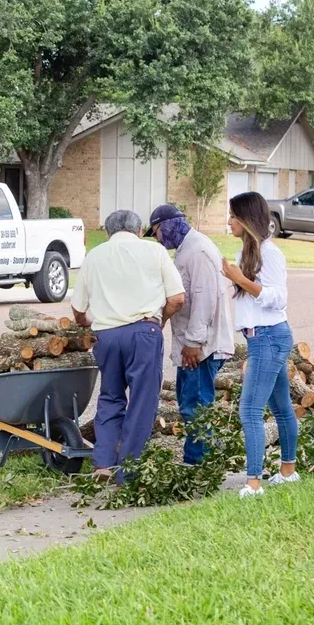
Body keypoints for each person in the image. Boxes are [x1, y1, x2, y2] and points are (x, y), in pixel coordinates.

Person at [70, 209, 185, 482]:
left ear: (108, 232)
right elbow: (178, 298)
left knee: (110, 397)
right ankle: (128, 470)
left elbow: (77, 310)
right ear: (138, 229)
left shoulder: (94, 256)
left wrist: (93, 320)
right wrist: (161, 320)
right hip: (143, 331)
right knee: (142, 401)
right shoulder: (154, 252)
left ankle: (103, 464)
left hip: (106, 336)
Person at [222, 192, 298, 498]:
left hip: (269, 336)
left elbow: (278, 298)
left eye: (233, 216)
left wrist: (240, 280)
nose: (229, 222)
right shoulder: (248, 253)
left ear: (247, 218)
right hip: (260, 339)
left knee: (250, 410)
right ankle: (288, 473)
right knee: (280, 407)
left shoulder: (270, 253)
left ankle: (253, 484)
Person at [145, 204, 235, 466]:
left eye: (158, 232)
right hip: (194, 343)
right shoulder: (187, 249)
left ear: (171, 223)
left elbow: (204, 300)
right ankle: (211, 457)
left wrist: (194, 342)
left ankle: (197, 464)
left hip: (201, 346)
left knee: (195, 406)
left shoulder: (197, 251)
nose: (159, 239)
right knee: (191, 403)